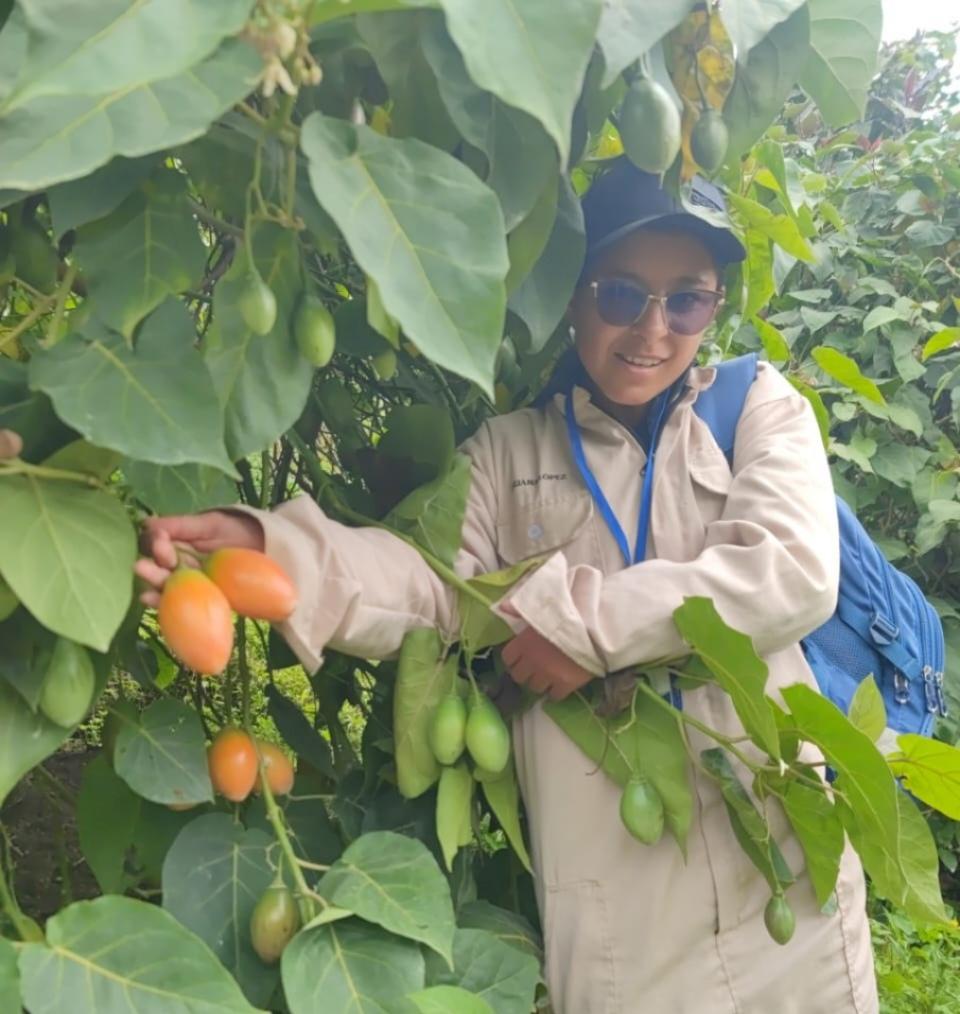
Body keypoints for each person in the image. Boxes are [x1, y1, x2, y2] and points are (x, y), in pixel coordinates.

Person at [137, 158, 878, 1013]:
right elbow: (432, 588)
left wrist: (580, 630)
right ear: (571, 299)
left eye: (687, 299)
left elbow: (790, 571)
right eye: (620, 295)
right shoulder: (508, 452)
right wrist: (272, 555)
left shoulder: (757, 408)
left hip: (779, 875)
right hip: (619, 913)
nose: (654, 329)